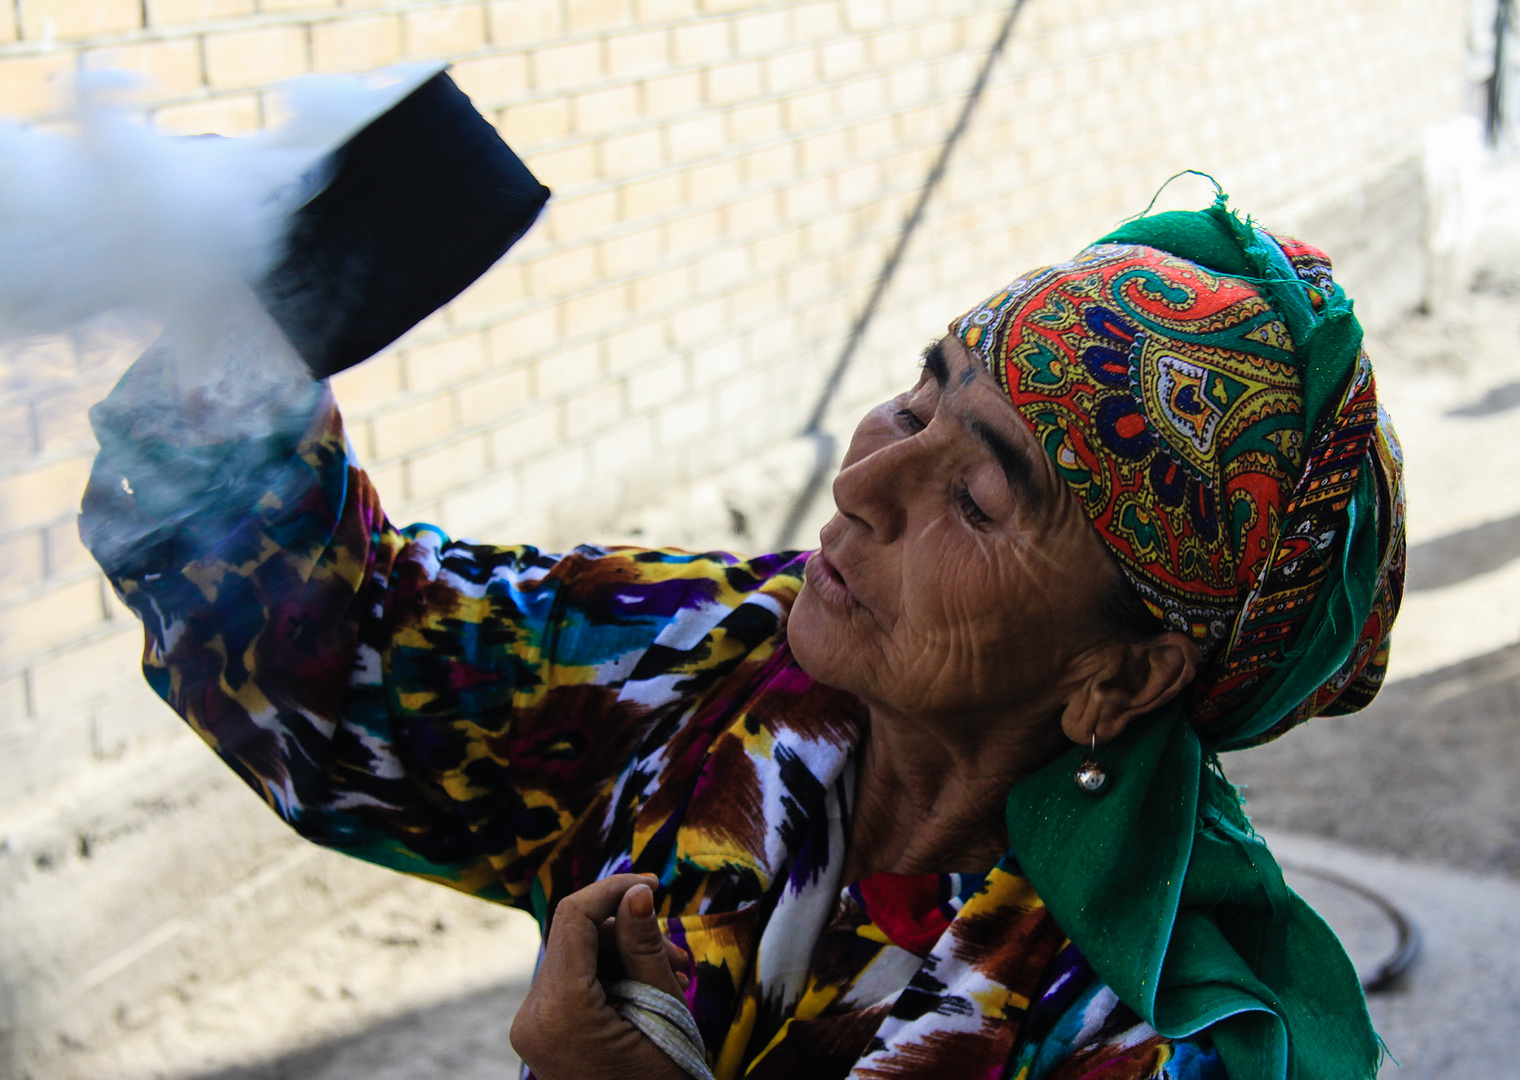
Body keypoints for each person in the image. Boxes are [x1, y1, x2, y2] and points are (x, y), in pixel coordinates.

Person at [80, 197, 1405, 1080]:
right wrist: (238, 339)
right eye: (919, 395)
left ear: (1124, 670)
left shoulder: (1161, 1035)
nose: (865, 482)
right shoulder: (730, 662)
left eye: (979, 493)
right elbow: (361, 661)